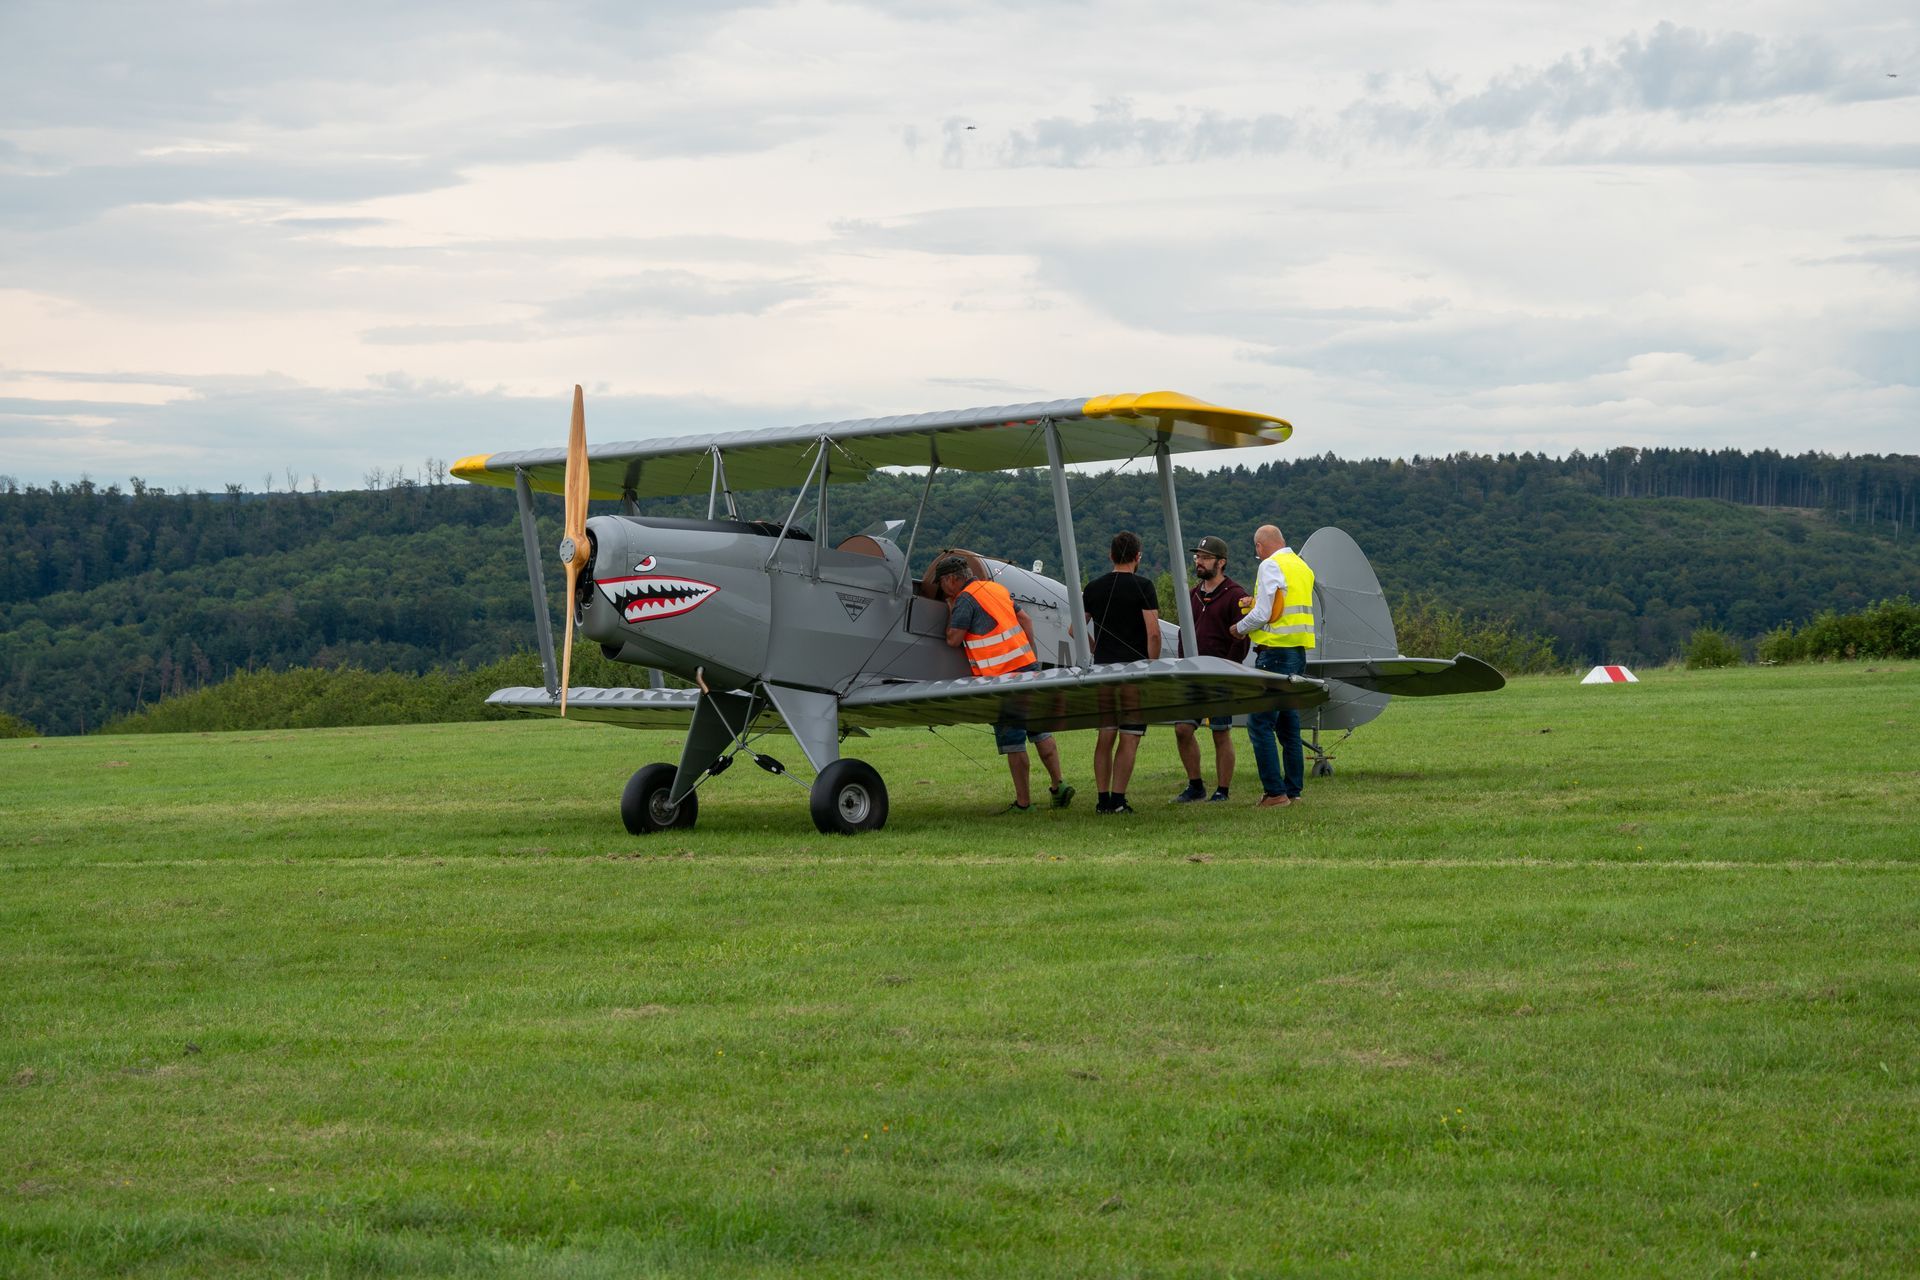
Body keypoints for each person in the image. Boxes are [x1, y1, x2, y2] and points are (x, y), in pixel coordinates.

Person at [935, 555, 1074, 814]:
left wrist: (951, 609)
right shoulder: (996, 589)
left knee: (1014, 741)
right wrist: (1030, 657)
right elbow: (1027, 621)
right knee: (1040, 731)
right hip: (1027, 669)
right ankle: (1059, 785)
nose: (942, 588)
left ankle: (1024, 803)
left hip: (1001, 678)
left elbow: (954, 639)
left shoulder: (965, 599)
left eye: (942, 583)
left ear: (952, 579)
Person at [1231, 524, 1316, 808]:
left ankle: (1274, 793)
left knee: (1260, 724)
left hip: (1274, 654)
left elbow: (1265, 613)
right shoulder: (1302, 567)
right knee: (1289, 725)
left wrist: (1240, 627)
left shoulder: (1270, 565)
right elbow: (1282, 605)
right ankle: (1293, 789)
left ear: (1260, 546)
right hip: (1298, 653)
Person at [1080, 530, 1161, 814]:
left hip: (1103, 671)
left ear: (1110, 555)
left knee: (1105, 735)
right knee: (1130, 736)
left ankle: (1102, 799)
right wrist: (1152, 665)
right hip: (1135, 671)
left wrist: (1095, 648)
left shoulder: (1093, 587)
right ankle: (1118, 799)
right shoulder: (1144, 586)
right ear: (1138, 557)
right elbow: (1153, 633)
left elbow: (1073, 629)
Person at [1171, 534, 1250, 803]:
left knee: (1220, 731)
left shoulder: (1236, 595)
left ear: (1221, 562)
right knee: (1182, 728)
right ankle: (1195, 786)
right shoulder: (1192, 595)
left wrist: (1229, 667)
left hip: (1220, 676)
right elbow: (1185, 632)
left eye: (1205, 558)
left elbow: (1242, 637)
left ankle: (1222, 790)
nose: (1199, 562)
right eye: (1198, 557)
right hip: (1192, 674)